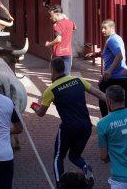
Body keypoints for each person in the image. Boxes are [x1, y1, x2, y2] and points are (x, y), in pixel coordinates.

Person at [33, 57, 106, 187]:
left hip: (68, 128)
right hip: (86, 126)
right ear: (64, 68)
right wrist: (114, 105)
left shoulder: (51, 89)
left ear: (52, 70)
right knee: (74, 156)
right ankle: (85, 166)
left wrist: (34, 106)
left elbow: (41, 113)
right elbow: (99, 94)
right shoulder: (78, 80)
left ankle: (59, 185)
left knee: (58, 157)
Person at [85, 19, 127, 116]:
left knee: (103, 98)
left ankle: (106, 120)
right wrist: (96, 54)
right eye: (102, 28)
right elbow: (110, 54)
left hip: (114, 77)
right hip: (121, 76)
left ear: (112, 28)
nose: (103, 31)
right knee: (125, 103)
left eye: (105, 28)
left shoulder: (112, 40)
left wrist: (109, 71)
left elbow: (119, 56)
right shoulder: (117, 38)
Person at [45, 5, 76, 75]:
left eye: (51, 15)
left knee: (56, 74)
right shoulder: (70, 22)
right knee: (67, 74)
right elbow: (75, 27)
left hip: (58, 53)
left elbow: (58, 39)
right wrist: (66, 18)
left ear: (57, 14)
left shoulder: (57, 25)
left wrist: (49, 44)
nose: (50, 18)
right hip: (68, 52)